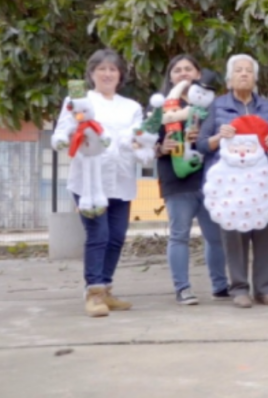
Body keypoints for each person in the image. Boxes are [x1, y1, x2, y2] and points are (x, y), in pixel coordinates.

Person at [51, 49, 144, 317]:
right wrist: (65, 140)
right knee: (98, 235)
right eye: (101, 69)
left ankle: (106, 289)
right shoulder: (79, 101)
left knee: (116, 238)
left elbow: (138, 139)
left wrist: (143, 145)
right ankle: (93, 293)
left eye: (112, 69)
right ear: (91, 73)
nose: (107, 74)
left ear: (120, 75)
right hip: (89, 183)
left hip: (122, 181)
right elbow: (62, 132)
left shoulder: (132, 107)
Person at [196, 53, 268, 308]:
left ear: (255, 78)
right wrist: (218, 137)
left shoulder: (266, 106)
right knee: (232, 235)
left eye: (248, 70)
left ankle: (264, 289)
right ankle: (239, 289)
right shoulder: (217, 106)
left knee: (265, 234)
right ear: (229, 79)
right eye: (238, 70)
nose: (244, 74)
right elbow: (201, 144)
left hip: (262, 182)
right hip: (229, 183)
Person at [154, 55, 229, 306]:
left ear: (198, 74)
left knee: (215, 236)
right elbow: (143, 139)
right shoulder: (161, 107)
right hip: (175, 180)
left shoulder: (211, 106)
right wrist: (161, 146)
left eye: (189, 69)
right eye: (177, 70)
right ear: (170, 76)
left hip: (210, 179)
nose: (183, 73)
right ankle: (182, 288)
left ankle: (220, 286)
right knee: (179, 235)